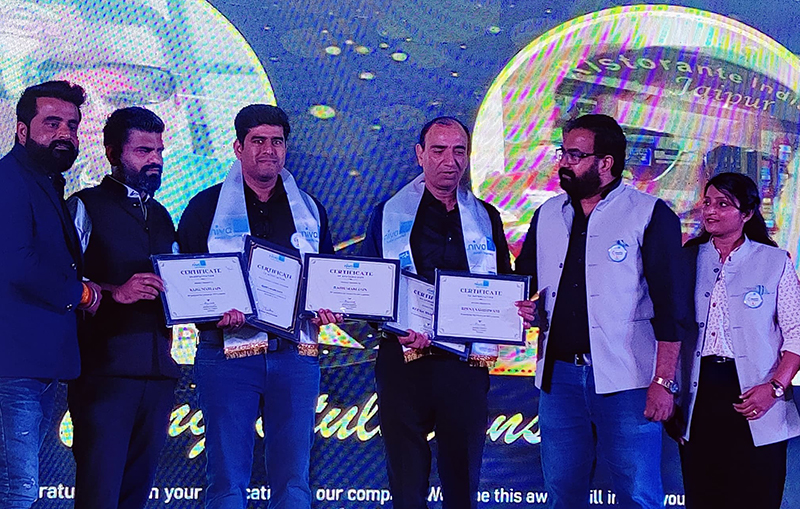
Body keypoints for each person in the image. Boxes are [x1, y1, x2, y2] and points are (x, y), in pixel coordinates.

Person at [515, 114, 693, 509]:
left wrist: (663, 381)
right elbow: (525, 281)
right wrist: (529, 308)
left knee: (638, 494)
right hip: (559, 377)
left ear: (606, 163)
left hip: (628, 379)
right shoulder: (547, 214)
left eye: (575, 155)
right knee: (562, 492)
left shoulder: (648, 213)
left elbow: (672, 306)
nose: (564, 163)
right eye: (563, 153)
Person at [178, 104, 340, 509]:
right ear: (238, 147)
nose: (269, 150)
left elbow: (327, 277)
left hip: (295, 356)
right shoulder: (204, 208)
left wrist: (329, 307)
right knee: (227, 481)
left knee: (294, 481)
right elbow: (184, 283)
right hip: (227, 355)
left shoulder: (311, 210)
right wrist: (213, 311)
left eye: (277, 142)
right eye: (258, 141)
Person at [362, 117, 526, 509]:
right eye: (438, 150)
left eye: (458, 151)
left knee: (462, 480)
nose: (449, 161)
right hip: (404, 361)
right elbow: (370, 289)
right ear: (420, 155)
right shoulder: (388, 214)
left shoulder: (486, 216)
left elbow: (502, 283)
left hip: (463, 366)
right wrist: (395, 326)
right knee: (406, 482)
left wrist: (514, 308)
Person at [66, 107, 179, 509]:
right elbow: (59, 282)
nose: (155, 160)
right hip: (104, 375)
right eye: (143, 151)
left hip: (159, 375)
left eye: (159, 151)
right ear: (113, 153)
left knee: (136, 497)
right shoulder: (84, 205)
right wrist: (116, 292)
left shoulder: (162, 214)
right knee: (99, 496)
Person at [0, 80, 101, 509]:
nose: (65, 134)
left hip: (36, 363)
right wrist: (81, 294)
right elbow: (17, 263)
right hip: (12, 365)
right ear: (22, 130)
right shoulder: (9, 180)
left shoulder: (43, 182)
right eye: (52, 123)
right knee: (16, 490)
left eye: (72, 125)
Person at [679, 172, 800, 509]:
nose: (711, 211)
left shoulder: (774, 261)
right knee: (704, 496)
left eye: (723, 204)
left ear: (746, 214)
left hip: (757, 394)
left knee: (757, 496)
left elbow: (797, 333)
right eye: (707, 202)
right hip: (700, 393)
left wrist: (774, 388)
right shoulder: (688, 258)